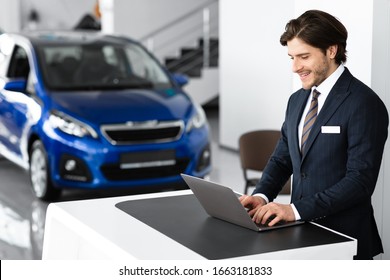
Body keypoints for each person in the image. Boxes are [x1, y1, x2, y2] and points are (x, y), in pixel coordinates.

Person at [239, 10, 388, 260]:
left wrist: (294, 210)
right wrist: (261, 196)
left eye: (304, 56)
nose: (295, 67)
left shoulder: (364, 103)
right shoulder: (297, 100)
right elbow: (282, 159)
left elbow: (360, 182)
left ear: (331, 50)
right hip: (302, 235)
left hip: (345, 238)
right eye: (292, 57)